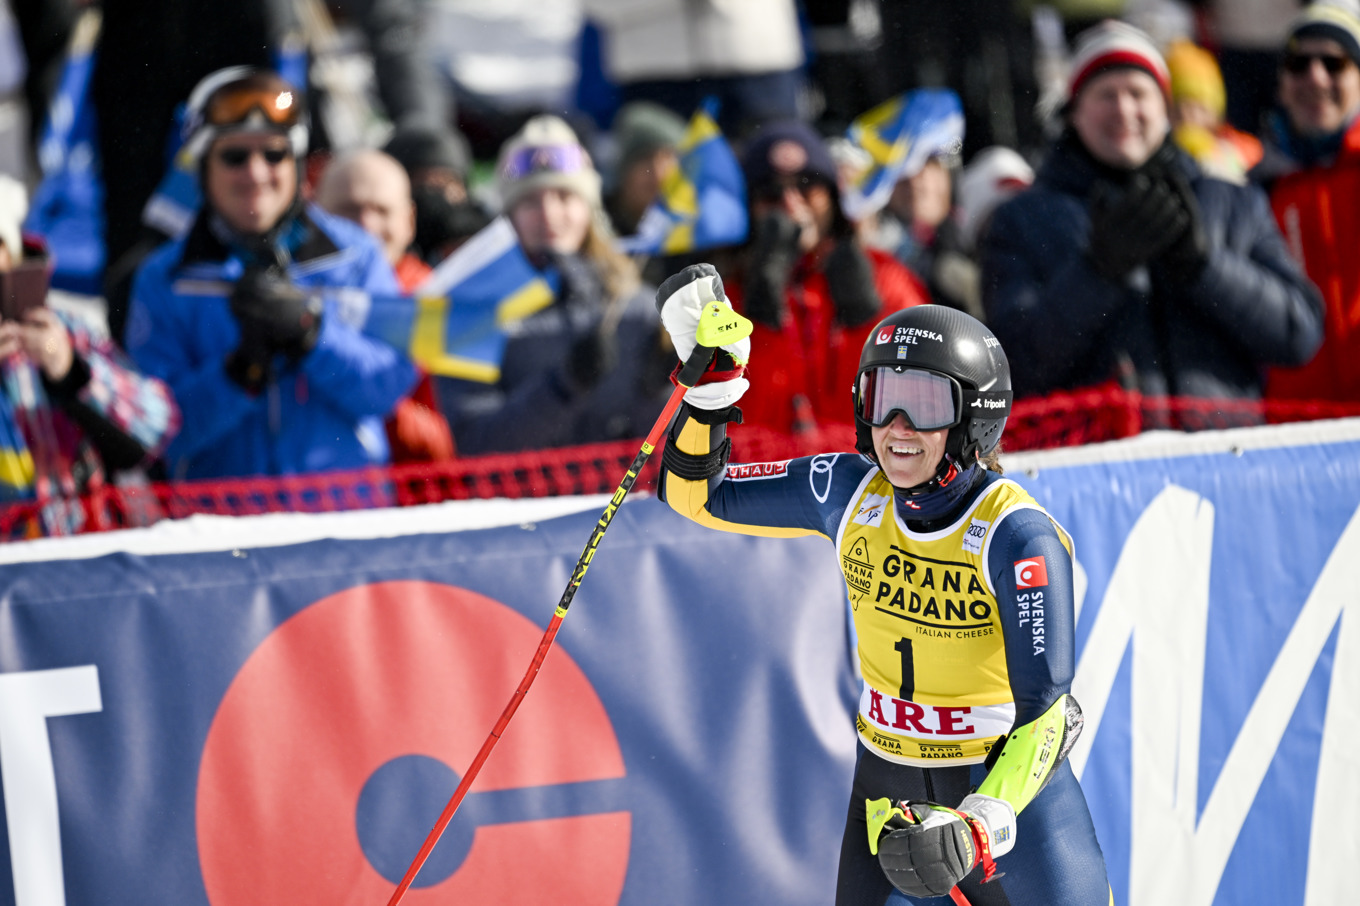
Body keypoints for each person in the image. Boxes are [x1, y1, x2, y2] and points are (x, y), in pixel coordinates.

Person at [654, 264, 1110, 905]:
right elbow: (696, 497)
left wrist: (980, 823)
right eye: (879, 397)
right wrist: (711, 396)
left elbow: (1049, 714)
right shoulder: (847, 491)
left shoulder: (1015, 536)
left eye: (922, 405)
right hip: (888, 791)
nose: (895, 426)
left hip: (1003, 802)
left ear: (972, 420)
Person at [981, 20, 1323, 423]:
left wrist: (1205, 268)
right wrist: (1096, 274)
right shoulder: (1020, 221)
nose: (1124, 109)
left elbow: (1298, 334)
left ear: (1165, 108)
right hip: (1096, 470)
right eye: (1106, 95)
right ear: (1074, 112)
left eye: (1138, 93)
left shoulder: (1234, 201)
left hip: (1228, 465)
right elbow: (1008, 370)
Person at [126, 68, 418, 480]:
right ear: (204, 167)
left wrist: (313, 337)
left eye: (274, 154)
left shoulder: (355, 255)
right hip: (222, 525)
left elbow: (388, 386)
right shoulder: (167, 279)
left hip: (345, 517)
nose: (256, 173)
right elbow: (156, 434)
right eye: (234, 157)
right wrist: (238, 373)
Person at [432, 114, 672, 455]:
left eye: (564, 196)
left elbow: (661, 447)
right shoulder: (471, 312)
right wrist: (561, 389)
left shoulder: (639, 307)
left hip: (629, 505)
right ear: (508, 216)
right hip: (522, 508)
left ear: (590, 209)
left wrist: (662, 393)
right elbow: (476, 445)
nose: (549, 214)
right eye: (530, 201)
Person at [725, 120, 930, 437]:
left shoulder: (886, 276)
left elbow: (917, 391)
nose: (792, 203)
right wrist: (761, 324)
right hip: (771, 476)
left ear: (833, 197)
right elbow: (737, 418)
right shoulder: (726, 297)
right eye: (771, 194)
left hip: (870, 474)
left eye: (808, 185)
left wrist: (864, 317)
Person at [0, 175, 179, 535]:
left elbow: (158, 424)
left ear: (11, 250)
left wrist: (69, 370)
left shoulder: (62, 328)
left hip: (79, 564)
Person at [315, 147, 455, 463]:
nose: (365, 226)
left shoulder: (439, 304)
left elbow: (454, 439)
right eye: (348, 210)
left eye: (382, 210)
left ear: (409, 220)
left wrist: (371, 397)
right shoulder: (290, 294)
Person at [1254, 0, 1360, 402]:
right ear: (1281, 82)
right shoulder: (1258, 190)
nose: (1315, 78)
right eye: (1298, 65)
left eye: (1334, 64)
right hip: (1296, 434)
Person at [382, 122, 491, 266]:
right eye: (422, 186)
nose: (436, 198)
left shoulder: (487, 236)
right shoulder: (383, 246)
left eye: (446, 184)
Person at [1166, 40, 1263, 183]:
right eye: (1178, 108)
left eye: (1198, 107)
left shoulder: (1241, 150)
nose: (1188, 115)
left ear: (1215, 113)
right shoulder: (1162, 151)